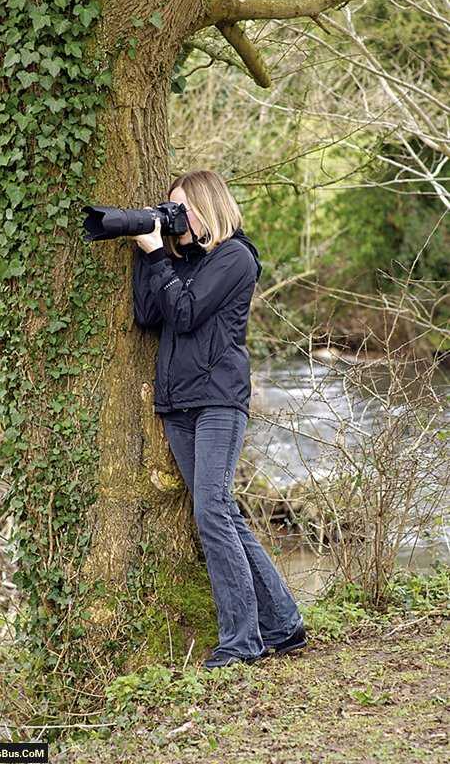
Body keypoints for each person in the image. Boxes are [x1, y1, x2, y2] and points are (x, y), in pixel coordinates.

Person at [131, 169, 306, 669]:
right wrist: (149, 251)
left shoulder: (234, 257)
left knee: (212, 512)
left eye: (183, 209)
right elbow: (147, 314)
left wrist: (158, 256)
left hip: (218, 401)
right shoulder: (181, 261)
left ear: (208, 207)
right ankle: (284, 624)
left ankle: (241, 641)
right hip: (177, 404)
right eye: (173, 210)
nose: (177, 219)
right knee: (221, 513)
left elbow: (185, 314)